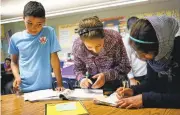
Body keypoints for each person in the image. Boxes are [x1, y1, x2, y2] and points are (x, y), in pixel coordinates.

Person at [116, 15, 180, 108]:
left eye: (144, 53)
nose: (141, 57)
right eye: (137, 52)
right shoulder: (155, 56)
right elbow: (151, 83)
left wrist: (146, 99)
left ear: (161, 45)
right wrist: (133, 90)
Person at [8, 1, 64, 93]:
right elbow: (13, 62)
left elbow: (54, 59)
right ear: (23, 18)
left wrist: (60, 84)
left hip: (45, 87)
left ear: (44, 21)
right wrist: (17, 77)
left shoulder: (49, 32)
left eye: (39, 24)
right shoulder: (15, 38)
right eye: (29, 23)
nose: (34, 28)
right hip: (24, 88)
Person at [72, 16, 131, 92]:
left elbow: (125, 66)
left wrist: (106, 76)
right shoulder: (78, 46)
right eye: (89, 47)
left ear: (103, 36)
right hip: (92, 85)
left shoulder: (114, 39)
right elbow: (78, 69)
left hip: (115, 84)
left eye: (98, 45)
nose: (95, 50)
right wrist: (82, 79)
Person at [122, 17, 147, 86]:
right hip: (137, 75)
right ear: (129, 29)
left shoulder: (142, 36)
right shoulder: (126, 42)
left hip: (148, 71)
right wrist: (131, 78)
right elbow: (126, 61)